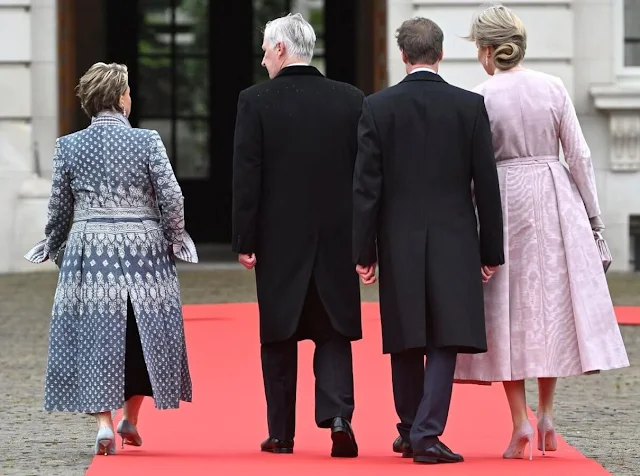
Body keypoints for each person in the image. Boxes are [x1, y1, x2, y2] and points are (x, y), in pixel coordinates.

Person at [453, 4, 630, 461]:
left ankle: (519, 423)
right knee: (547, 308)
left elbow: (472, 172)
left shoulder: (480, 97)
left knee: (506, 313)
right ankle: (548, 413)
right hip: (555, 198)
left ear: (487, 49)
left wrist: (471, 221)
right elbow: (581, 156)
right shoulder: (552, 87)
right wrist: (593, 219)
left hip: (505, 199)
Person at [24, 62, 197, 456]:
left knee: (95, 334)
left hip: (90, 249)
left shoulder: (68, 146)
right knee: (142, 333)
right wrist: (174, 237)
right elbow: (172, 197)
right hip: (144, 251)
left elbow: (58, 210)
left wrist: (55, 245)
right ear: (121, 99)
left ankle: (104, 425)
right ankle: (129, 419)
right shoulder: (147, 141)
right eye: (129, 91)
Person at [352, 17, 504, 464]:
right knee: (443, 338)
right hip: (455, 238)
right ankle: (426, 433)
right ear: (440, 54)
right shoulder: (468, 106)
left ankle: (410, 428)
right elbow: (486, 184)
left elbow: (366, 189)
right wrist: (491, 249)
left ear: (403, 56)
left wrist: (363, 252)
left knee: (405, 336)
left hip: (397, 238)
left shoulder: (377, 107)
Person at [231, 13, 364, 458]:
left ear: (282, 49)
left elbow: (247, 177)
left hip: (278, 239)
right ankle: (339, 417)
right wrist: (365, 238)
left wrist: (244, 240)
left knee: (279, 335)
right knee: (333, 332)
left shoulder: (254, 100)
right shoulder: (351, 100)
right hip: (337, 239)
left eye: (267, 49)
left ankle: (281, 434)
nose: (264, 57)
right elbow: (364, 177)